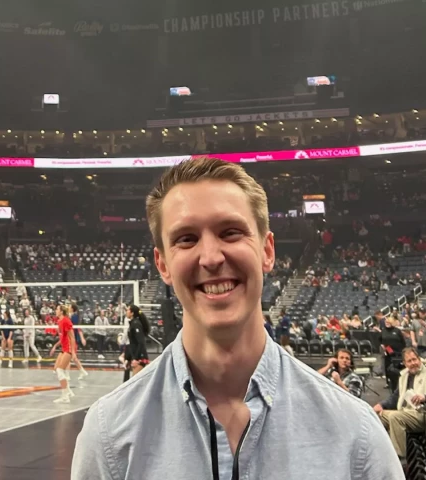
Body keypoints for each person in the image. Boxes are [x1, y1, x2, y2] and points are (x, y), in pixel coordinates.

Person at [71, 158, 402, 479]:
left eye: (230, 232)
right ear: (162, 265)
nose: (212, 258)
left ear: (267, 251)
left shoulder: (355, 436)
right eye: (186, 238)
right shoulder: (108, 437)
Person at [374, 348, 426, 463]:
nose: (413, 363)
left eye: (414, 359)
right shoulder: (404, 376)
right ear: (405, 364)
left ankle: (401, 459)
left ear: (419, 360)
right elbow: (395, 397)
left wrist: (425, 397)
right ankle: (382, 452)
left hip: (423, 415)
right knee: (378, 416)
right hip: (406, 413)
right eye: (409, 361)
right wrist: (381, 405)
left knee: (395, 417)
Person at [50, 305, 76, 404]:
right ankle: (68, 391)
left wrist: (73, 352)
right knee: (57, 368)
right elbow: (62, 338)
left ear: (61, 312)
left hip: (68, 349)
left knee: (60, 370)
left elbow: (72, 337)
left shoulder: (66, 321)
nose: (55, 311)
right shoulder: (60, 321)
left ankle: (65, 396)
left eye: (57, 309)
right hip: (64, 348)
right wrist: (55, 346)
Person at [124, 305, 150, 378]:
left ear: (132, 313)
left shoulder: (136, 324)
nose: (126, 312)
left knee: (136, 382)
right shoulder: (132, 324)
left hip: (139, 357)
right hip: (135, 356)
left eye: (128, 310)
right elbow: (132, 343)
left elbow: (141, 342)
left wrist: (136, 358)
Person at [69, 304, 88, 379]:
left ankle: (82, 371)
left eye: (70, 307)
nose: (68, 308)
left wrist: (82, 337)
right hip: (70, 338)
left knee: (73, 357)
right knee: (69, 357)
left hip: (73, 339)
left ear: (72, 309)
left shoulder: (74, 317)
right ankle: (67, 375)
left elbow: (78, 328)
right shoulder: (71, 316)